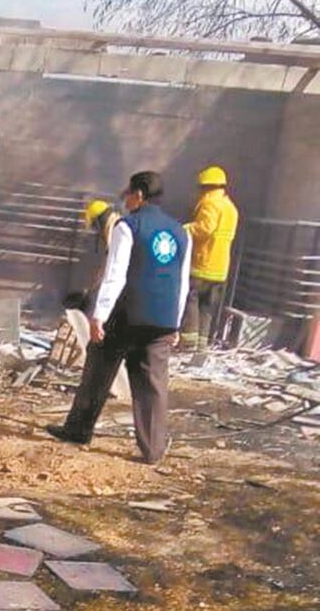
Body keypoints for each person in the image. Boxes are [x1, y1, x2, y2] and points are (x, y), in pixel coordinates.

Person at [47, 171, 191, 464]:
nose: (125, 200)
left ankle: (78, 430)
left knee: (99, 367)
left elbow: (116, 275)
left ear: (139, 195)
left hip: (128, 314)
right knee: (153, 384)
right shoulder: (181, 232)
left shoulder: (128, 226)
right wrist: (175, 323)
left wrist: (99, 316)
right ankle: (152, 450)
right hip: (163, 320)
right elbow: (183, 282)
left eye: (128, 194)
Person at [181, 165, 239, 351]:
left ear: (206, 186)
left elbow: (205, 228)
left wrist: (184, 229)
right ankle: (201, 345)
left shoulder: (209, 204)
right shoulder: (231, 208)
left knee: (191, 300)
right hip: (220, 269)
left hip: (203, 265)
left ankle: (188, 343)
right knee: (206, 308)